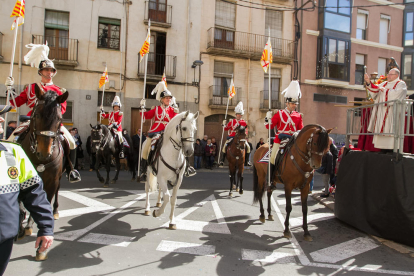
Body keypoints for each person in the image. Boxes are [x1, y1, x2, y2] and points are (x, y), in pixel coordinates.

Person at [4, 43, 80, 183]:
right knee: (11, 139)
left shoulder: (59, 90)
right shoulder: (31, 87)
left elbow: (62, 109)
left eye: (51, 70)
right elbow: (17, 102)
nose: (48, 73)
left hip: (52, 123)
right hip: (32, 120)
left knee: (72, 142)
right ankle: (8, 167)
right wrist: (9, 90)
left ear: (54, 72)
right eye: (45, 70)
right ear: (40, 72)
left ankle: (71, 170)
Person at [0, 105, 54, 275]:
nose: (2, 119)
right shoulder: (32, 90)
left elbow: (34, 192)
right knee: (17, 133)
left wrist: (46, 226)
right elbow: (23, 99)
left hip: (50, 123)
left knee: (69, 141)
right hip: (33, 121)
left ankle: (70, 165)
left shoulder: (13, 153)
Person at [138, 81, 196, 180]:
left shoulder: (173, 110)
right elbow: (146, 116)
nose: (168, 100)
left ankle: (187, 167)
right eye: (166, 98)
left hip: (168, 132)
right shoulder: (156, 109)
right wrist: (142, 108)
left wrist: (177, 113)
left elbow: (178, 121)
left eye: (169, 98)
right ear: (161, 99)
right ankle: (144, 170)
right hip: (156, 132)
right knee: (146, 147)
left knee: (182, 144)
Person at [265, 80, 304, 190]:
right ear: (287, 103)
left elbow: (300, 129)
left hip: (293, 140)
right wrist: (268, 119)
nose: (294, 106)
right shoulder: (280, 113)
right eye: (292, 104)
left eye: (295, 104)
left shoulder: (298, 115)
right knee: (273, 157)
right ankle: (271, 180)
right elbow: (269, 127)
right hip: (280, 140)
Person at [364, 68, 407, 151]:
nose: (388, 76)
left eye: (390, 74)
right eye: (388, 74)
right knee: (381, 130)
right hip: (381, 111)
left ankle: (392, 150)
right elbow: (375, 90)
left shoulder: (401, 84)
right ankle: (382, 149)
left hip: (392, 112)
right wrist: (368, 82)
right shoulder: (384, 83)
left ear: (396, 75)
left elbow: (396, 94)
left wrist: (384, 91)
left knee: (391, 130)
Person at [219, 101, 252, 166]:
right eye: (238, 114)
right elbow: (226, 128)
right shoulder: (232, 121)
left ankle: (247, 161)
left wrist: (244, 135)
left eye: (240, 114)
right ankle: (222, 160)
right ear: (236, 115)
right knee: (225, 146)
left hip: (240, 138)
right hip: (232, 136)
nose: (239, 116)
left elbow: (246, 131)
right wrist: (224, 125)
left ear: (241, 115)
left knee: (248, 147)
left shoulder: (244, 122)